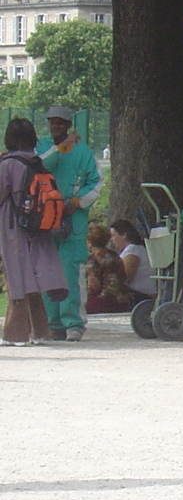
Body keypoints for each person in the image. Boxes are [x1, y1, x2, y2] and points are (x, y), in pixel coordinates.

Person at [0, 118, 68, 346]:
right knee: (35, 279)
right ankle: (39, 331)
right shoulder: (38, 162)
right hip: (40, 227)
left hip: (13, 227)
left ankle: (15, 334)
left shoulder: (8, 164)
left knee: (17, 278)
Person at [39, 106, 102, 341]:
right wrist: (61, 148)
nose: (55, 126)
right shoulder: (43, 147)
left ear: (68, 124)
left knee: (71, 273)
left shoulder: (84, 153)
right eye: (52, 122)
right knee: (46, 273)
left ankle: (73, 323)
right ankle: (51, 322)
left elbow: (95, 184)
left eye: (60, 122)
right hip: (45, 221)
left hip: (72, 224)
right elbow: (39, 166)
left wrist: (77, 201)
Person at [108, 219, 158, 307]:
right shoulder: (130, 250)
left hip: (141, 296)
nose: (112, 240)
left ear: (123, 235)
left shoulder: (133, 250)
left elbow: (125, 278)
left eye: (113, 236)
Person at [84, 224, 130, 313]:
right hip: (100, 296)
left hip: (113, 301)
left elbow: (112, 290)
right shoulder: (91, 259)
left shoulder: (110, 259)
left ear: (90, 242)